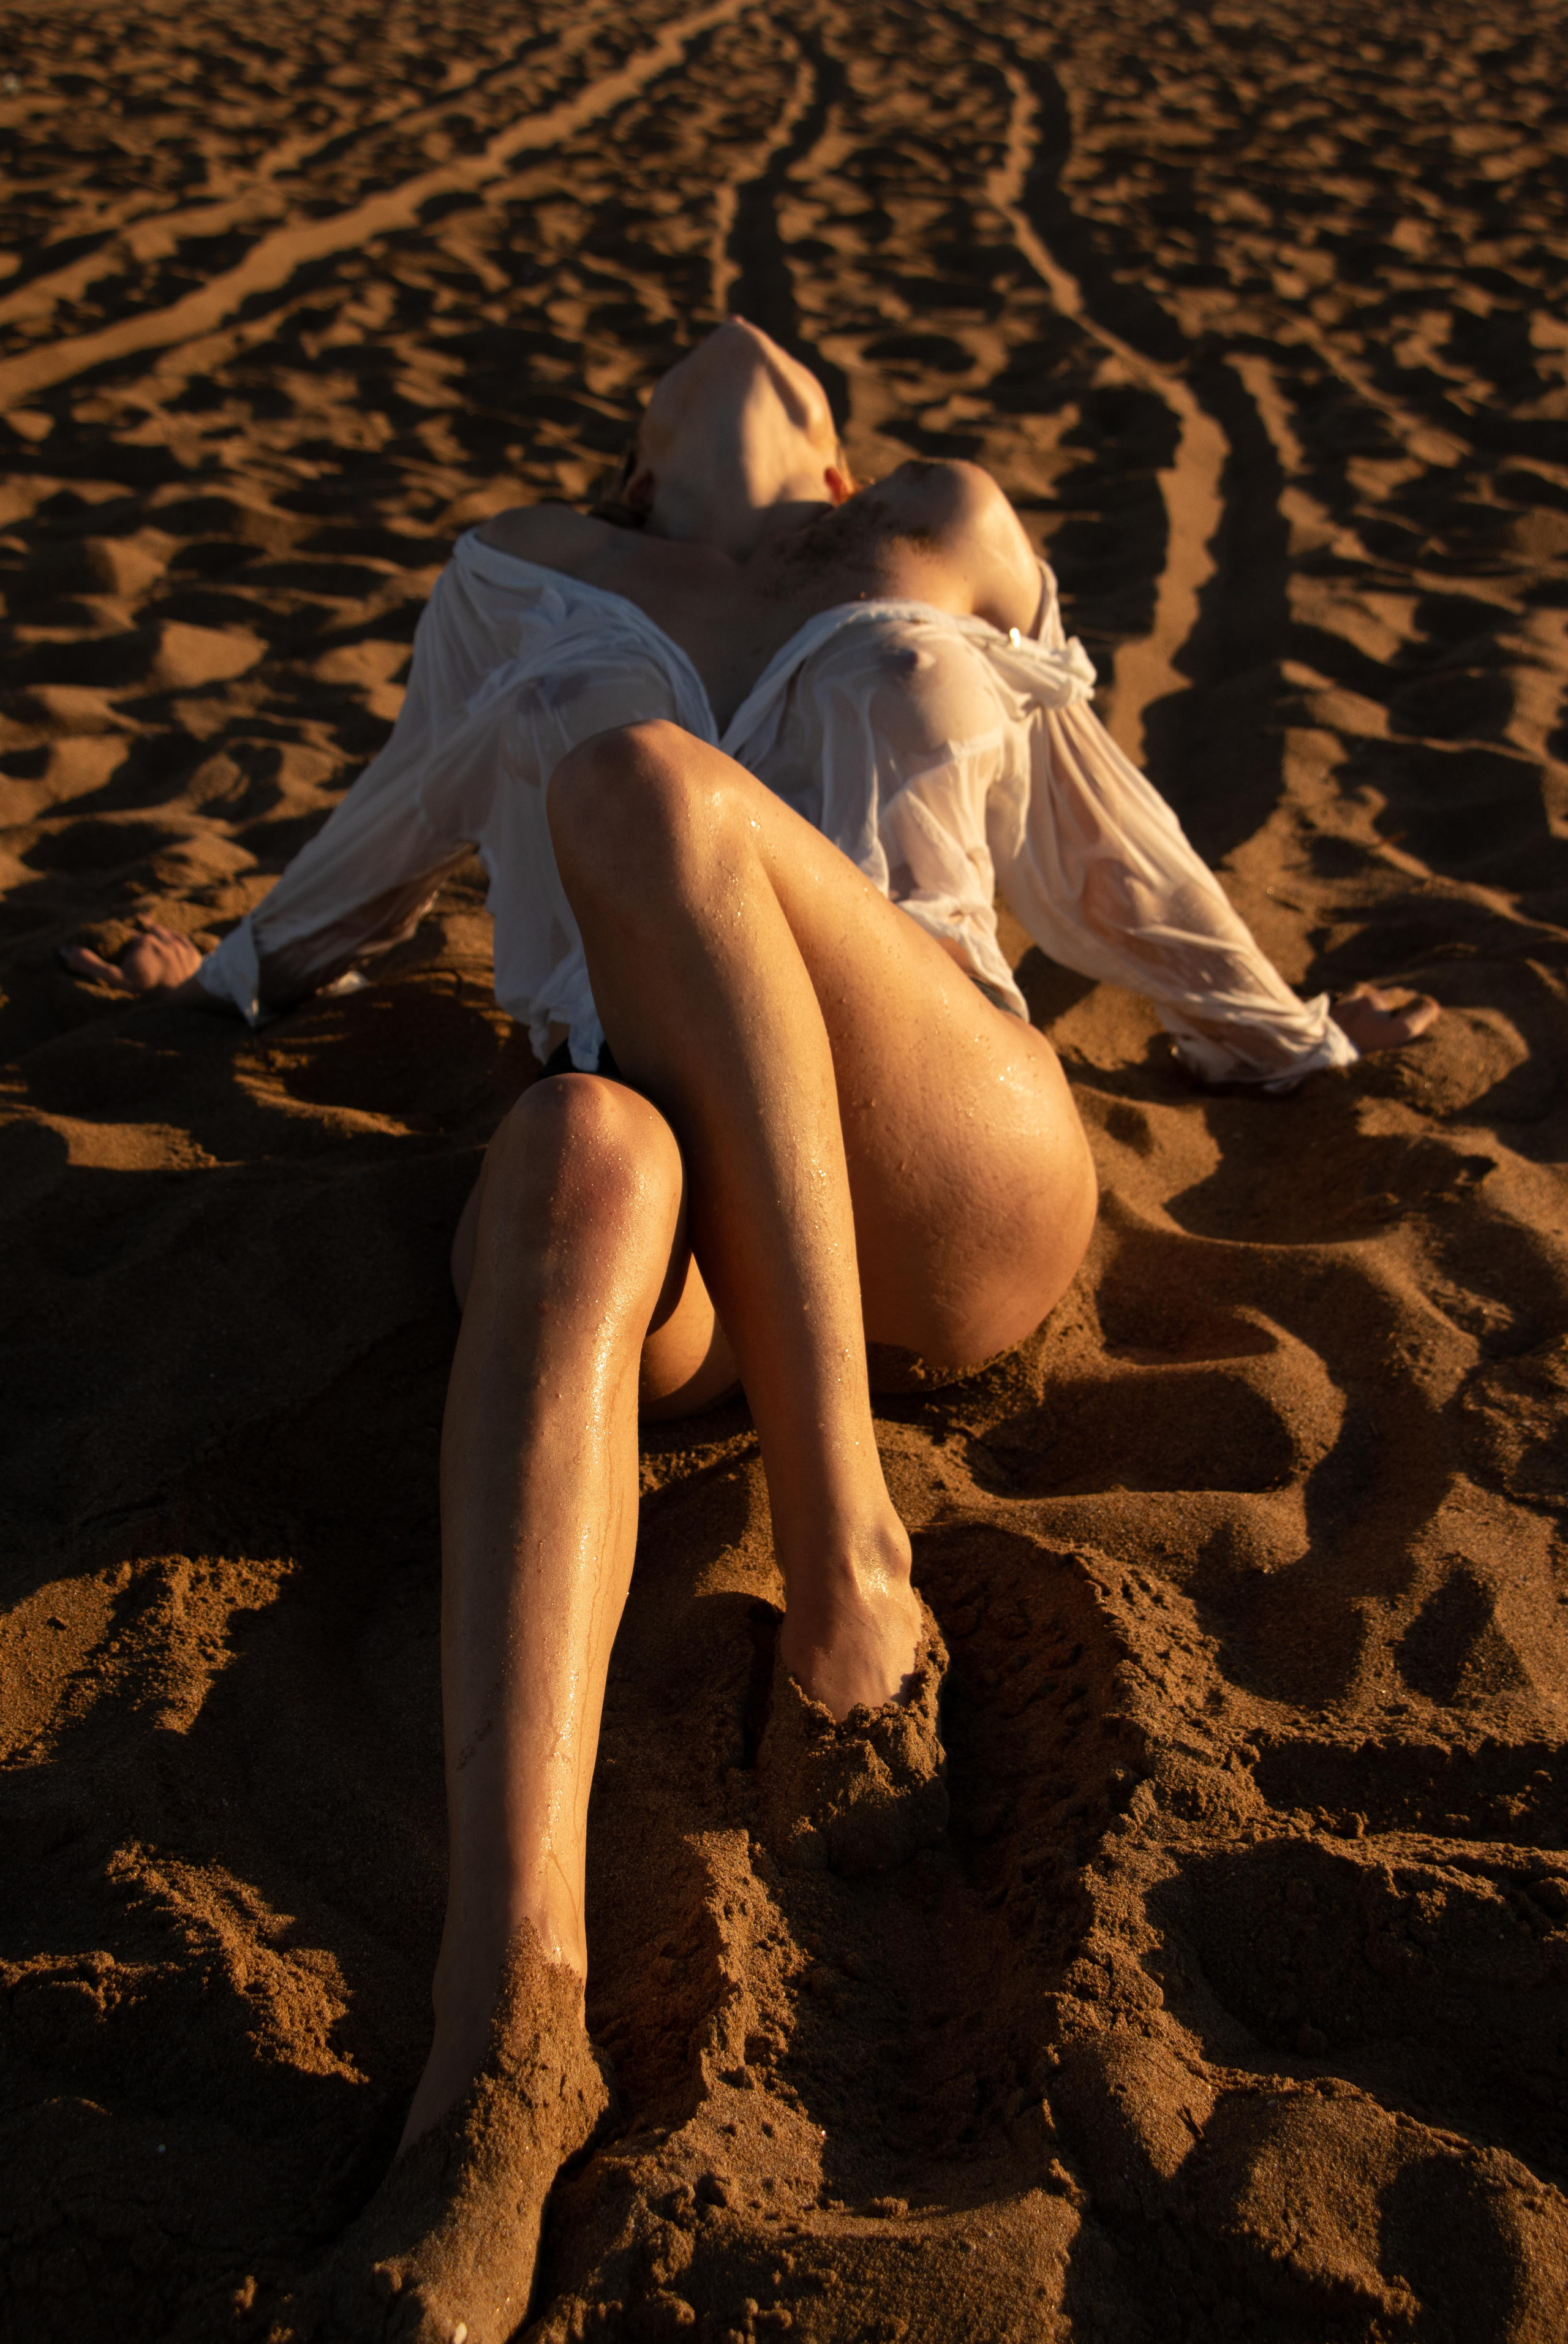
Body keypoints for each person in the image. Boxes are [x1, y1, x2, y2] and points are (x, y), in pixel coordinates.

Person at [65, 320, 1437, 2343]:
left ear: (839, 443)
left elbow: (1096, 827)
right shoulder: (525, 566)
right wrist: (246, 961)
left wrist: (1287, 1031)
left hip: (945, 1148)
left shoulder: (941, 522)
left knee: (642, 785)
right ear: (626, 456)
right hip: (683, 1201)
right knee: (564, 1151)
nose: (749, 345)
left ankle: (843, 1540)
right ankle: (500, 2043)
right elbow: (415, 797)